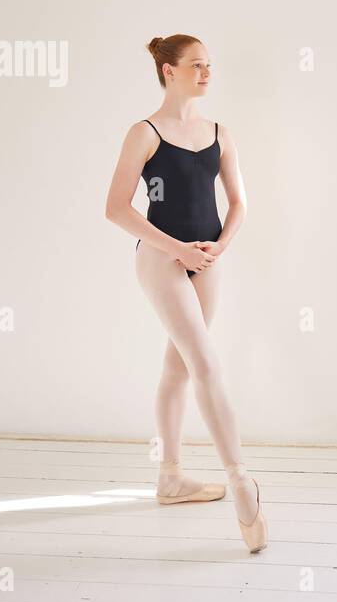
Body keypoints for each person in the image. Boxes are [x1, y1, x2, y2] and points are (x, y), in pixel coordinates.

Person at [104, 34, 267, 552]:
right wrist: (179, 249)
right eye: (197, 65)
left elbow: (239, 203)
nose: (206, 73)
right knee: (205, 362)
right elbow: (117, 208)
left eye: (210, 65)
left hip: (207, 259)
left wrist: (216, 249)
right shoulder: (144, 132)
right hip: (160, 259)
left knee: (178, 366)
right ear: (169, 71)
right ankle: (241, 477)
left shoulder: (220, 133)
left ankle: (170, 478)